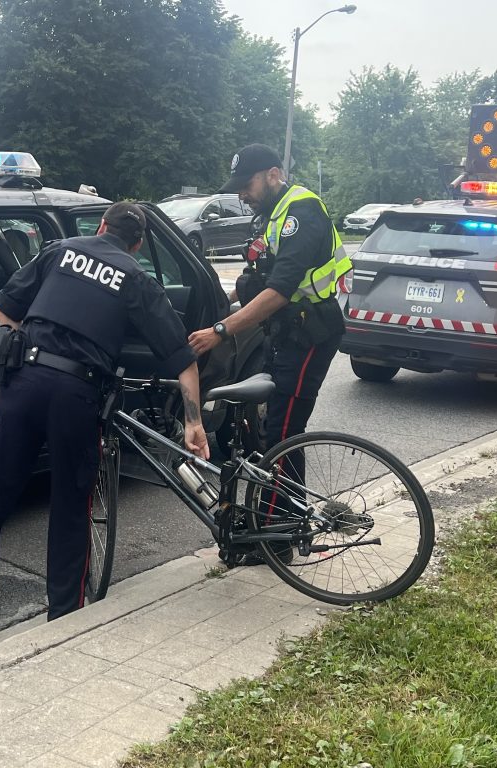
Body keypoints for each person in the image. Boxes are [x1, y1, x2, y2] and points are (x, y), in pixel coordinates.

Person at [0, 202, 209, 628]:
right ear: (137, 244)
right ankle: (64, 616)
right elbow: (184, 361)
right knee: (70, 507)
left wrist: (20, 345)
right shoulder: (137, 278)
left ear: (101, 226)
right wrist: (193, 424)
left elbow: (2, 308)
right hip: (76, 395)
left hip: (23, 384)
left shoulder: (59, 250)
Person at [188, 144, 351, 556]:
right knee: (275, 432)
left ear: (273, 174)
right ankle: (287, 525)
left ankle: (277, 539)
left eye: (248, 184)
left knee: (280, 433)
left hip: (309, 333)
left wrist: (221, 331)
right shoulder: (272, 215)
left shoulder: (302, 212)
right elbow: (258, 280)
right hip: (286, 332)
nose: (243, 194)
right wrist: (216, 305)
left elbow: (279, 291)